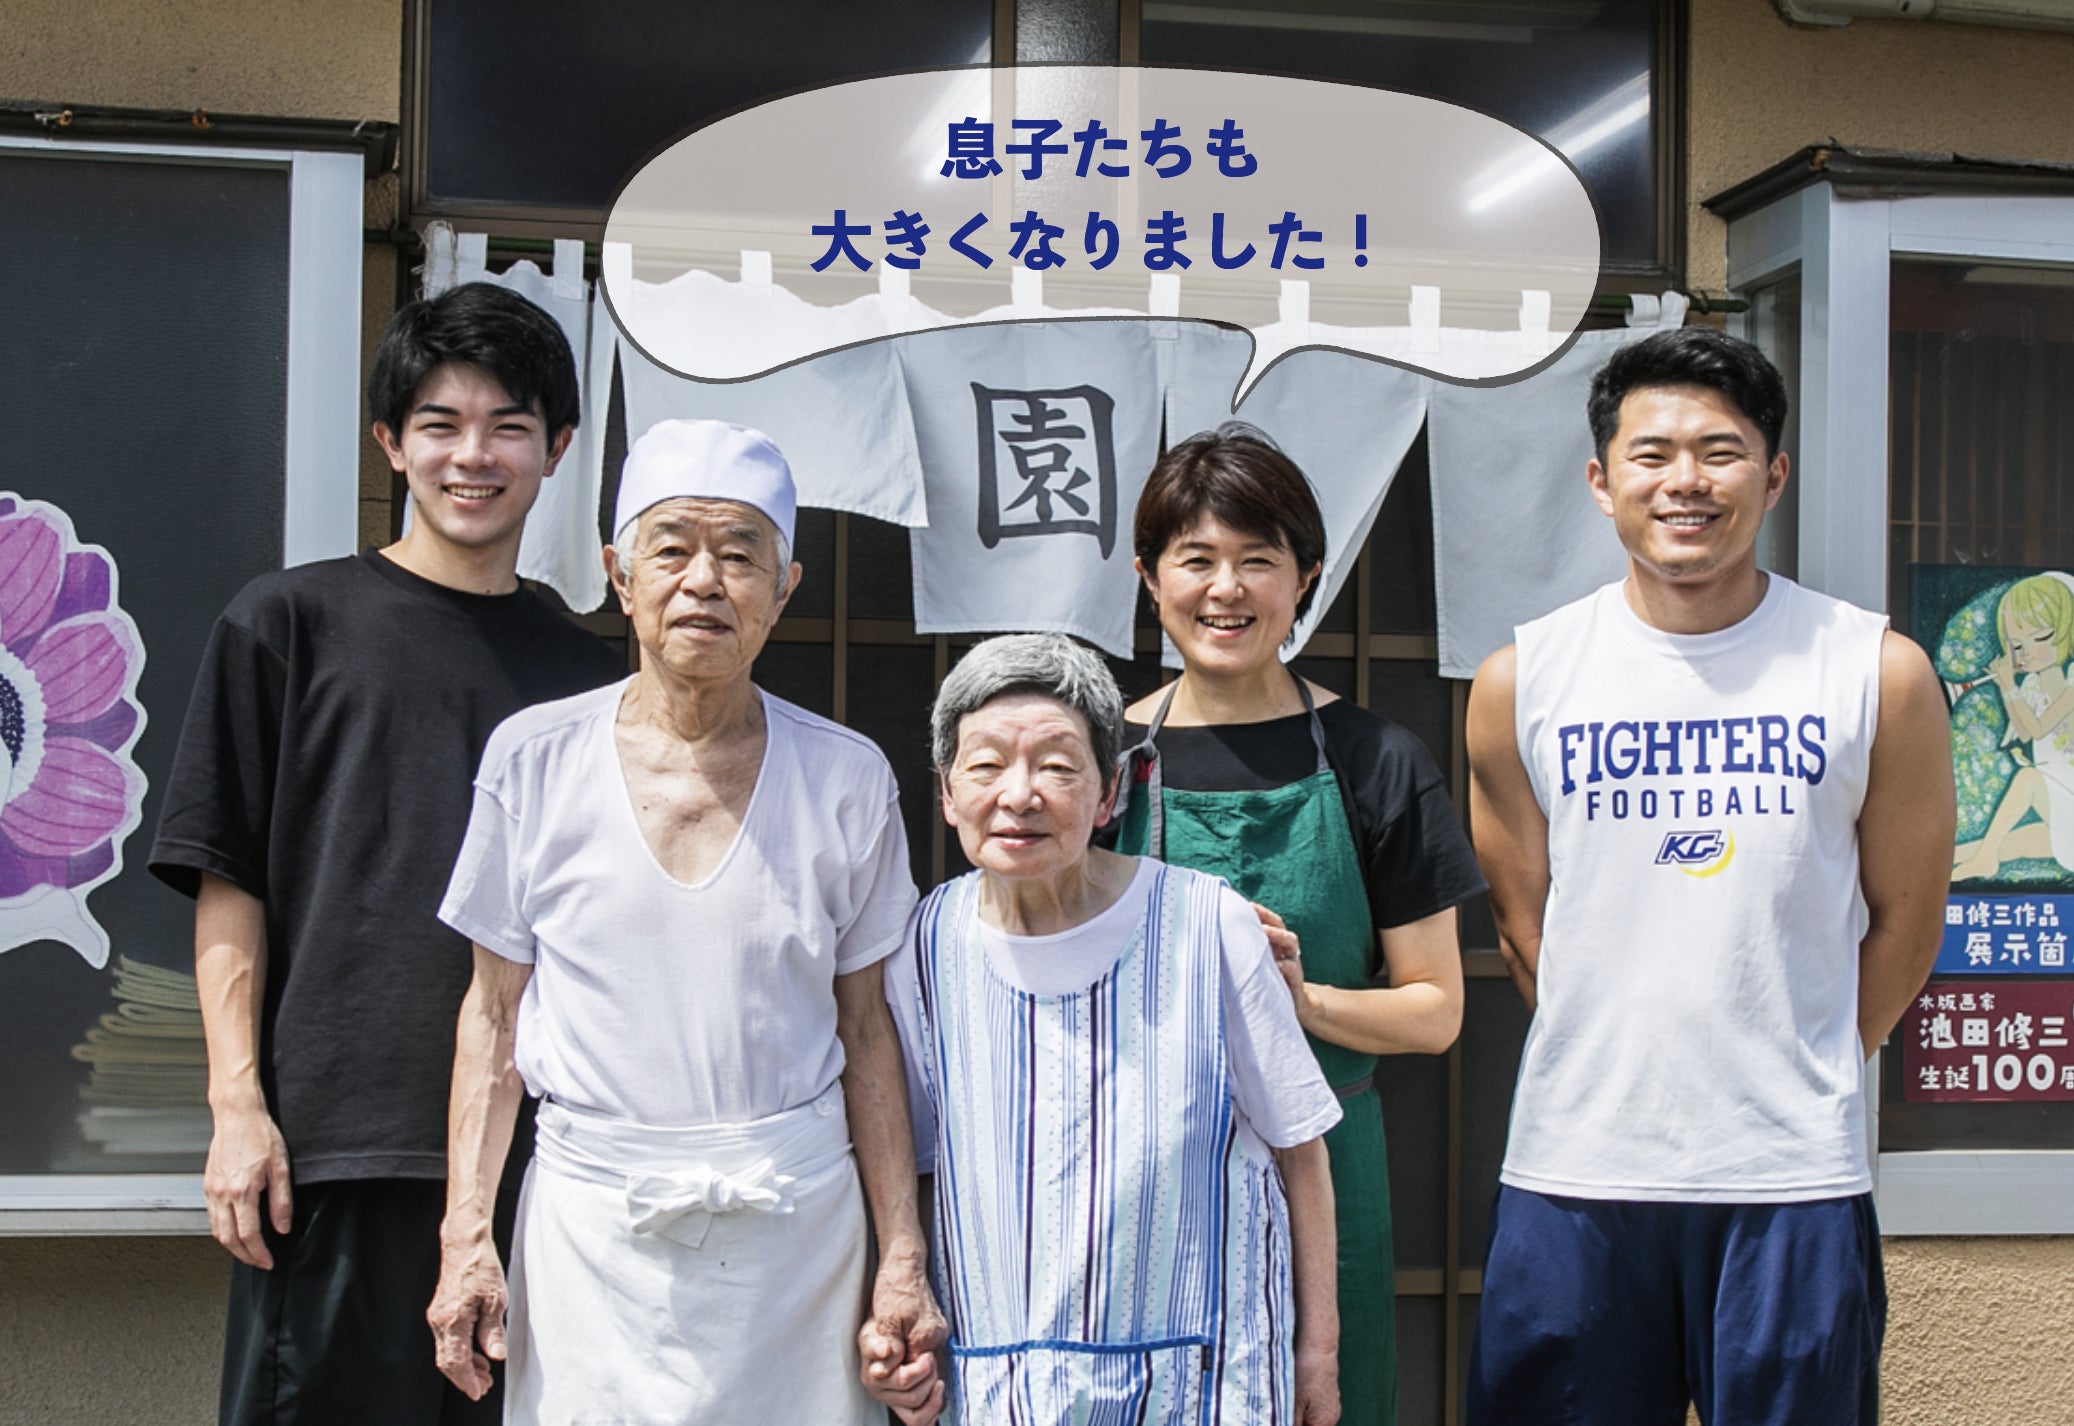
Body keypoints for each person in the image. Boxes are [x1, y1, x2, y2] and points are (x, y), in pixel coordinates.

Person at [148, 283, 626, 1425]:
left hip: (541, 1164)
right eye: (439, 424)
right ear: (390, 443)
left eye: (509, 426)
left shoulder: (590, 676)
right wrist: (237, 1107)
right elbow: (227, 879)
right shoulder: (287, 624)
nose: (474, 456)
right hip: (335, 1152)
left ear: (559, 448)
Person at [1463, 325, 1955, 1425]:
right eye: (1651, 454)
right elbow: (1525, 926)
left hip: (1790, 1178)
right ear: (1601, 482)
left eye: (1720, 451)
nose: (1684, 480)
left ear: (1772, 477)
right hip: (1576, 1169)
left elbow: (1908, 919)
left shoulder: (1874, 672)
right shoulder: (1520, 682)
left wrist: (1803, 1059)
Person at [429, 417, 942, 1424]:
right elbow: (492, 1017)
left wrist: (902, 1257)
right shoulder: (533, 759)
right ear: (620, 577)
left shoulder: (847, 777)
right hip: (591, 1232)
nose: (704, 580)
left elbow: (868, 1026)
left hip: (797, 1234)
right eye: (672, 549)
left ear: (783, 590)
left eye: (740, 555)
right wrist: (465, 1237)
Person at [1110, 424, 1483, 1426]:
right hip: (1137, 1164)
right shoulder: (1103, 760)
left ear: (1305, 576)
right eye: (1195, 559)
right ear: (1149, 578)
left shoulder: (1375, 760)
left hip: (1327, 1159)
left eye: (1257, 560)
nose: (1224, 589)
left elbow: (1436, 1011)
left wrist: (1301, 999)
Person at [876, 633, 1343, 1425]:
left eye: (1058, 767)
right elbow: (918, 1165)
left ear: (1108, 792)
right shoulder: (924, 945)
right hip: (1004, 1381)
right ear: (948, 793)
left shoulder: (1208, 924)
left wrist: (1318, 1353)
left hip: (1204, 1376)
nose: (1019, 795)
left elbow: (1301, 1151)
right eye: (985, 766)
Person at [1951, 571, 2074, 880]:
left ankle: (1984, 859)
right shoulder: (2031, 685)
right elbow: (2023, 732)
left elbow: (2039, 728)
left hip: (2067, 798)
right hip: (2061, 806)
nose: (2026, 652)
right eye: (2016, 644)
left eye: (2040, 638)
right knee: (1998, 845)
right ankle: (1969, 860)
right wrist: (2010, 689)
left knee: (2028, 779)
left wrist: (2008, 686)